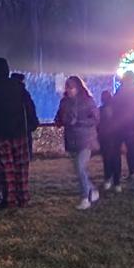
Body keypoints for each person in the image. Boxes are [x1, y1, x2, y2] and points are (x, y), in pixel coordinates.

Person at [0, 57, 39, 209]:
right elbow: (29, 106)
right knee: (21, 167)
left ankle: (9, 199)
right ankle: (23, 197)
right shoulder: (18, 87)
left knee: (6, 168)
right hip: (19, 132)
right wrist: (31, 124)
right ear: (7, 70)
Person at [54, 76, 101, 210]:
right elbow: (58, 117)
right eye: (67, 87)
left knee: (80, 168)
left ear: (78, 88)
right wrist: (60, 120)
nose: (68, 90)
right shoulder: (64, 102)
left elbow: (96, 119)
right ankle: (92, 190)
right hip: (72, 139)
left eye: (71, 87)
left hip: (86, 139)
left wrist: (79, 122)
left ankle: (85, 197)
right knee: (78, 170)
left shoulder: (88, 101)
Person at [108, 71, 134, 191]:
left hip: (122, 125)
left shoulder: (120, 92)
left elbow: (114, 107)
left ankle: (132, 172)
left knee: (129, 149)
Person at [97, 88, 121, 189]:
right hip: (115, 136)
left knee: (107, 159)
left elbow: (97, 125)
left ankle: (108, 179)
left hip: (104, 137)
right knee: (116, 159)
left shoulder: (100, 110)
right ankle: (117, 182)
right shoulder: (117, 111)